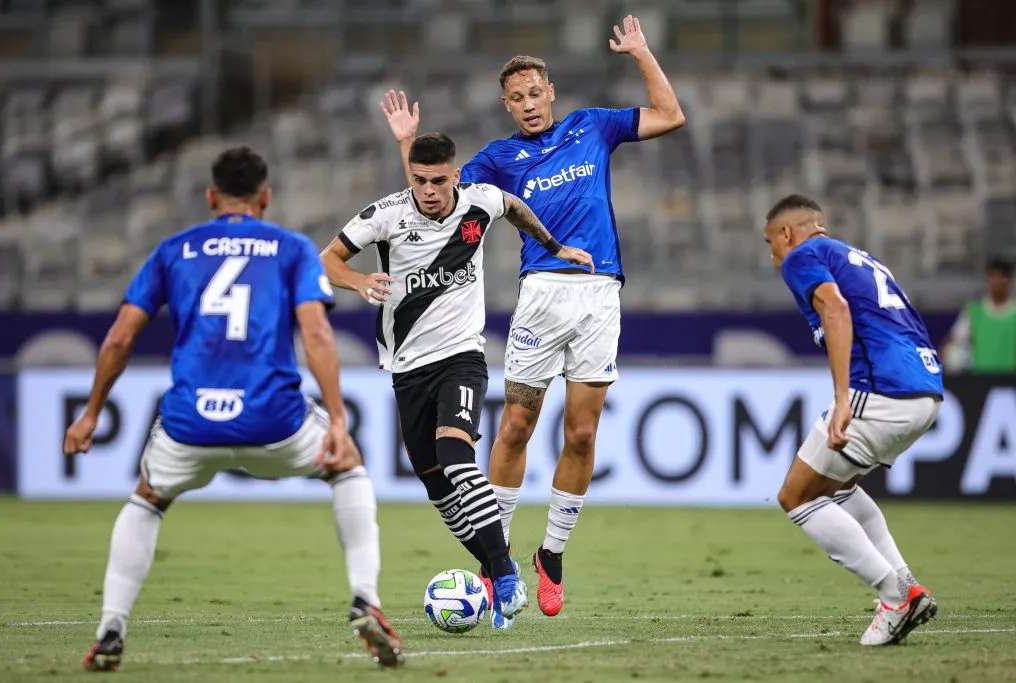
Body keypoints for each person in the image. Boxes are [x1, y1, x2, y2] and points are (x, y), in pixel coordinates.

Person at [379, 14, 685, 616]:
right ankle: (498, 562)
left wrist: (642, 54)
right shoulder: (498, 158)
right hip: (540, 295)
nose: (528, 104)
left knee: (582, 433)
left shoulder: (591, 127)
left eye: (535, 93)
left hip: (600, 294)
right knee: (516, 425)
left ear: (551, 93)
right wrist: (404, 143)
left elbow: (670, 115)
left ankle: (552, 555)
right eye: (516, 98)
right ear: (507, 106)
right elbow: (431, 198)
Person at [65, 147, 402, 671]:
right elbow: (316, 335)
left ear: (210, 196)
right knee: (349, 468)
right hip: (274, 419)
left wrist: (90, 413)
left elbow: (119, 339)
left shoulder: (174, 250)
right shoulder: (291, 249)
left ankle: (111, 629)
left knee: (147, 498)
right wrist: (338, 421)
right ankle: (365, 599)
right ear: (265, 197)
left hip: (191, 424)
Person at [320, 133, 593, 630]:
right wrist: (358, 281)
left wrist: (554, 247)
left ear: (456, 176)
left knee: (454, 455)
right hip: (407, 368)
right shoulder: (385, 215)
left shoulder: (478, 201)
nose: (429, 190)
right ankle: (498, 565)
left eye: (438, 181)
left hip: (462, 357)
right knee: (437, 485)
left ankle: (504, 577)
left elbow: (514, 206)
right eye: (419, 181)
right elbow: (327, 260)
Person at [764, 195, 942, 646]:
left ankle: (895, 596)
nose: (773, 255)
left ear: (787, 233)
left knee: (796, 496)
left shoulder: (802, 256)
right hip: (925, 391)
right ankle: (905, 583)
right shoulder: (858, 258)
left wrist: (843, 398)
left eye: (770, 243)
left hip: (881, 390)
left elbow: (836, 309)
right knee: (838, 490)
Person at [943, 259, 1016, 373]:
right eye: (992, 276)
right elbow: (953, 341)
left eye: (1000, 277)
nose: (996, 282)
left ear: (1009, 280)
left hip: (1010, 380)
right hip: (981, 380)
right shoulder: (974, 311)